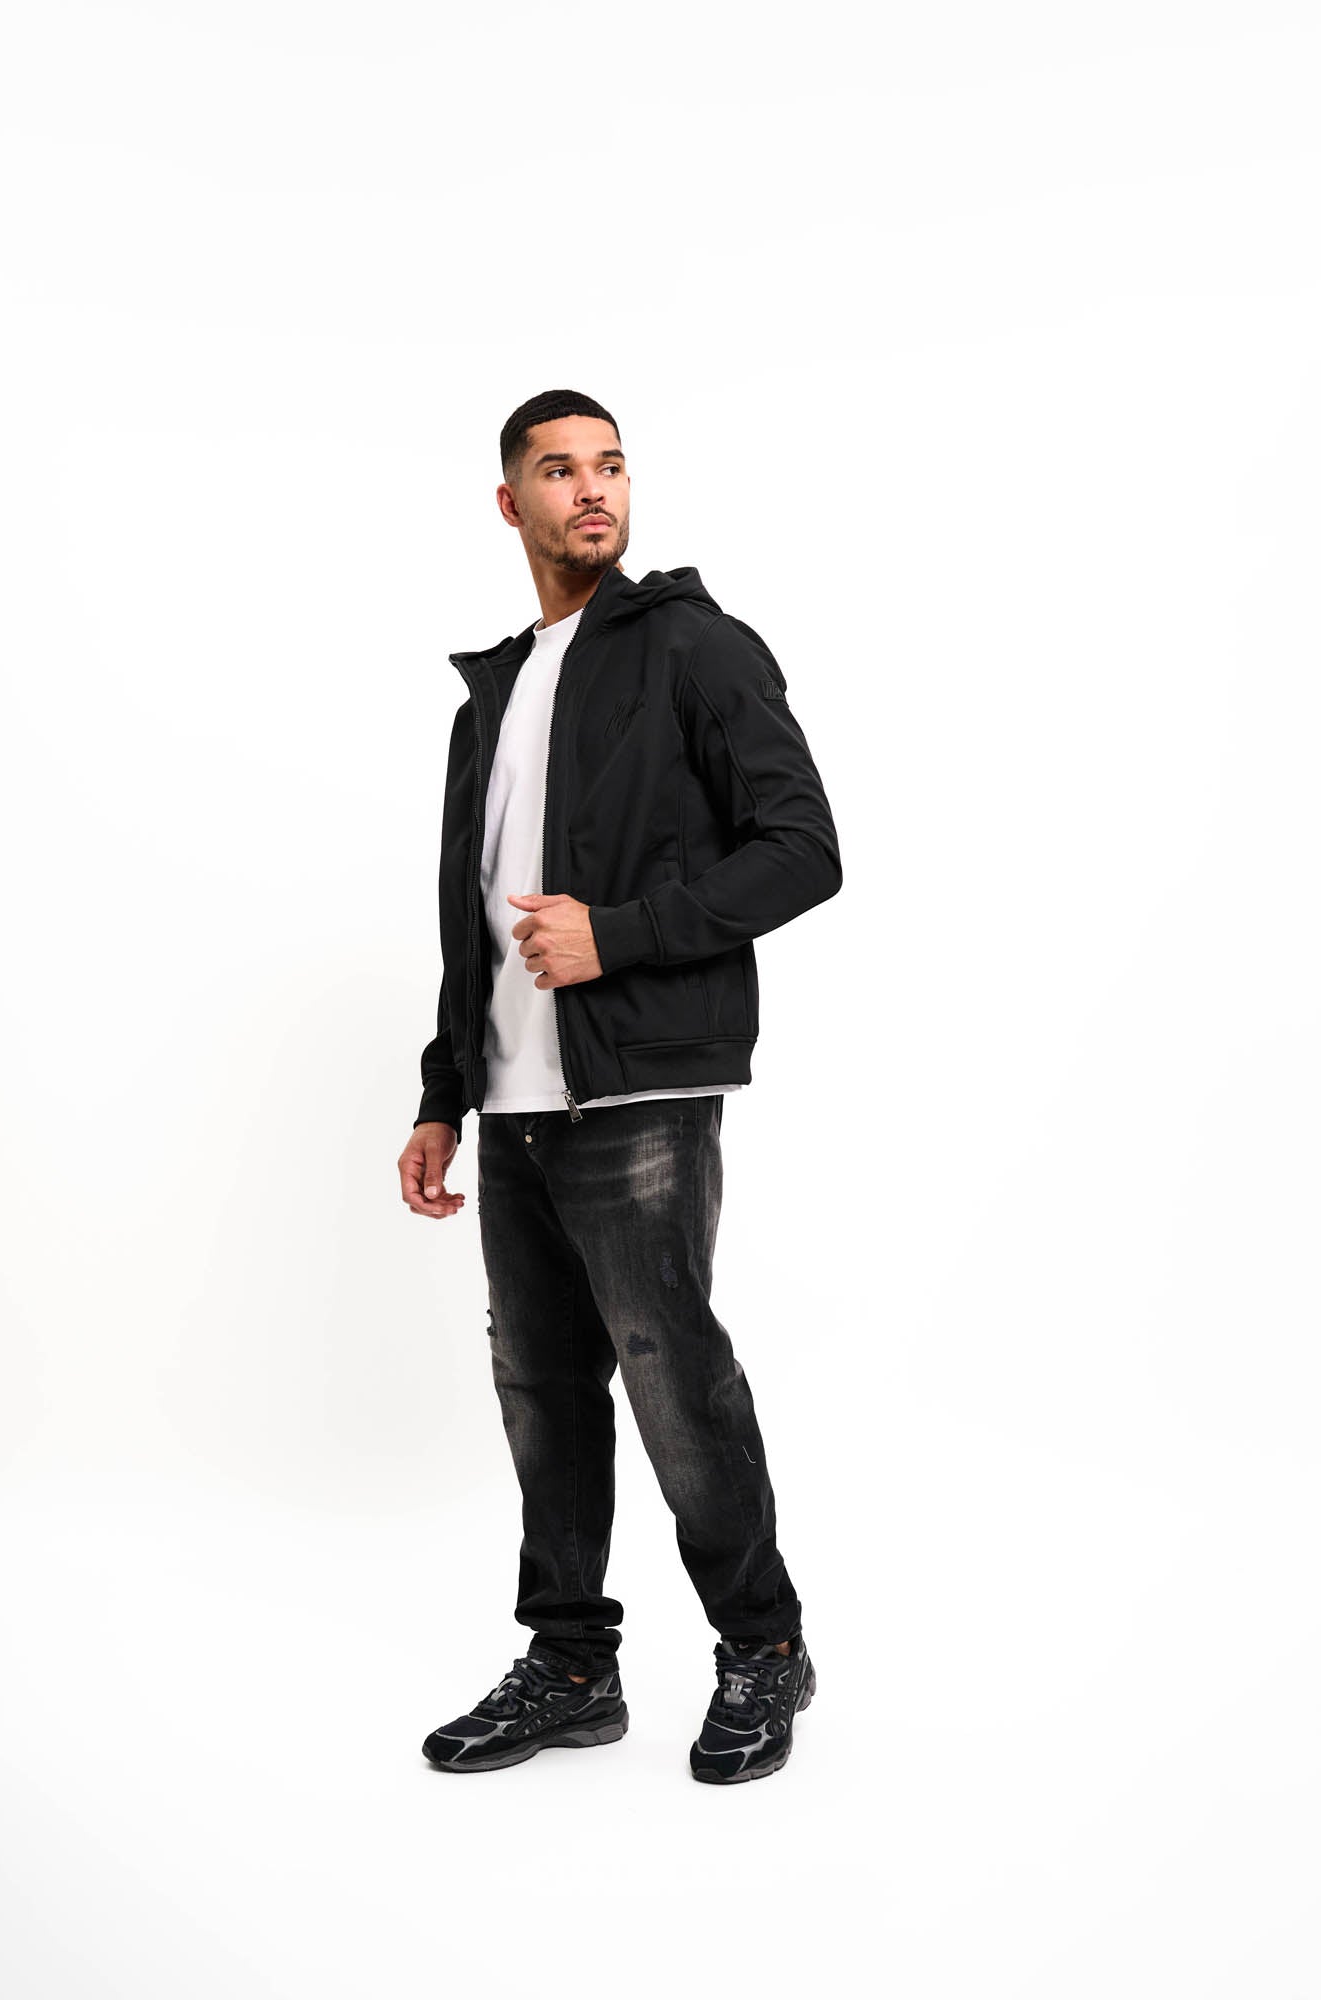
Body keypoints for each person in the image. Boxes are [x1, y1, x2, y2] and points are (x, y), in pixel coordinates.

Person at [398, 389, 842, 1782]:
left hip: (640, 1089)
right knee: (541, 1390)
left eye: (609, 466)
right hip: (516, 1104)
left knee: (671, 1377)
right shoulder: (492, 695)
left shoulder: (693, 647)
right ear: (510, 502)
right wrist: (443, 1091)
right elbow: (469, 917)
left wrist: (623, 935)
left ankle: (762, 1650)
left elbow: (804, 849)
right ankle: (572, 1667)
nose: (591, 489)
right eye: (557, 469)